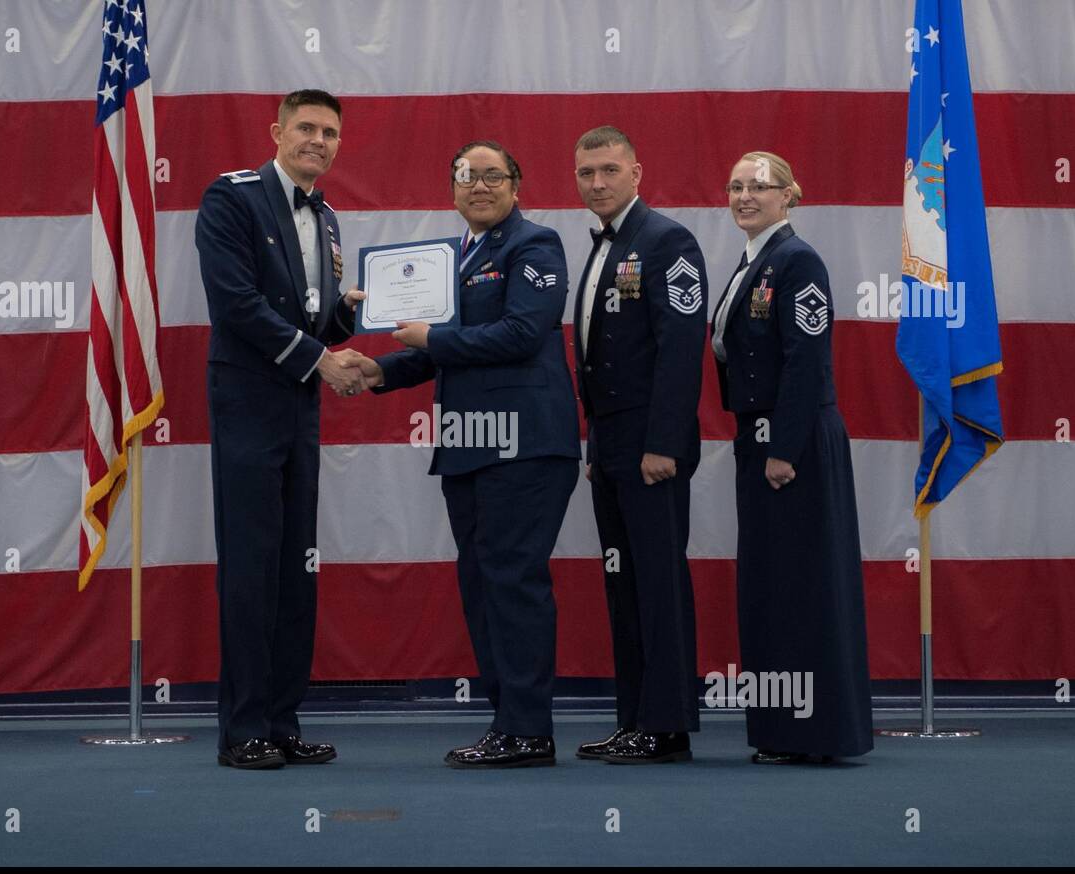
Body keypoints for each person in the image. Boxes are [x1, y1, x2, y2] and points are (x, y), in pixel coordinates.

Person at [347, 141, 580, 768]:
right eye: (466, 176)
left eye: (492, 176)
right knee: (483, 586)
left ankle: (528, 731)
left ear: (517, 186)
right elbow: (441, 349)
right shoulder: (452, 258)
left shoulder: (535, 245)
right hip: (469, 446)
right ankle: (508, 723)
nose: (479, 185)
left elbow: (522, 333)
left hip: (524, 445)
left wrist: (434, 337)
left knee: (513, 583)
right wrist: (379, 370)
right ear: (451, 190)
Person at [195, 89, 368, 770]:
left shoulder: (328, 217)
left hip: (300, 406)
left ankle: (282, 721)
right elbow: (235, 304)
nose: (318, 141)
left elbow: (314, 318)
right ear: (277, 131)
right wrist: (321, 358)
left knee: (297, 567)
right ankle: (243, 729)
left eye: (330, 133)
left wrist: (349, 315)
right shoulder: (231, 197)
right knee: (251, 567)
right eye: (306, 128)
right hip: (248, 402)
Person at [710, 150, 873, 764]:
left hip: (793, 444)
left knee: (803, 584)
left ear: (788, 195)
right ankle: (782, 730)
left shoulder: (797, 259)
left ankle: (816, 732)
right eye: (735, 187)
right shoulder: (754, 260)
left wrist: (783, 448)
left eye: (759, 186)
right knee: (771, 585)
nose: (745, 197)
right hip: (760, 439)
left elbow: (807, 359)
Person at [570, 126, 707, 764]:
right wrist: (596, 446)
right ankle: (634, 720)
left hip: (652, 446)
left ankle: (667, 725)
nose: (597, 183)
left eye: (608, 170)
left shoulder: (666, 240)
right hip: (612, 446)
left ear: (636, 173)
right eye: (586, 172)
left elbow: (681, 350)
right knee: (624, 587)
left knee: (658, 586)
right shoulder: (605, 243)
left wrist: (663, 443)